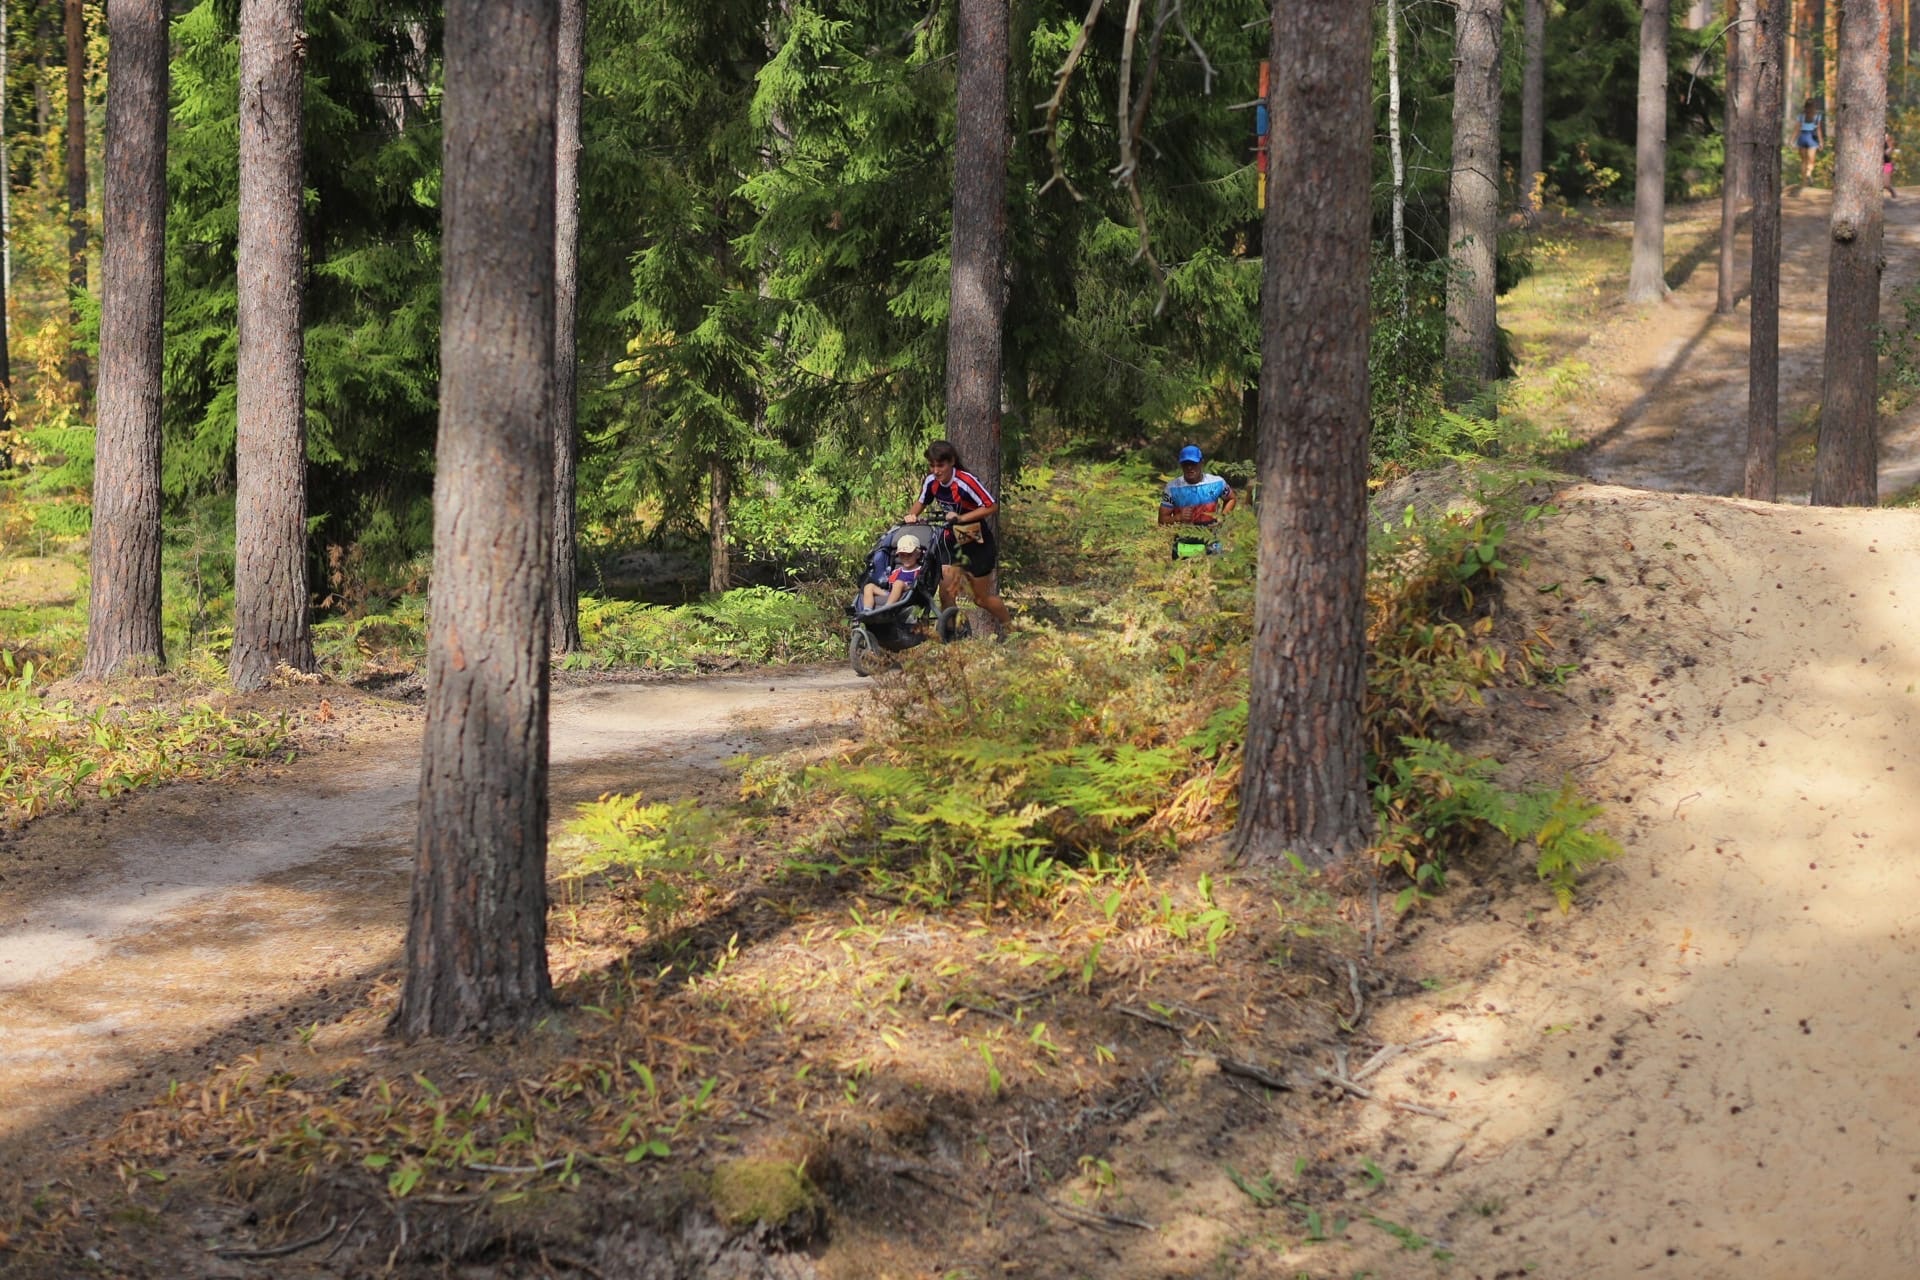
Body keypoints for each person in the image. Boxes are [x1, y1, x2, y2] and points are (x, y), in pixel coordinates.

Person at [902, 440, 1013, 633]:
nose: (936, 471)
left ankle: (1011, 628)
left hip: (975, 542)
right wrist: (912, 516)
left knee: (981, 599)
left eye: (940, 465)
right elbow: (921, 502)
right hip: (951, 541)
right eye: (932, 465)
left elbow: (991, 505)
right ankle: (951, 637)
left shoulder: (965, 481)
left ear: (952, 462)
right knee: (946, 593)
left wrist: (961, 518)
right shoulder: (931, 481)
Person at [1158, 444, 1236, 527]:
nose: (1189, 467)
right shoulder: (1172, 488)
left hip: (1212, 534)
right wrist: (1178, 517)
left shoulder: (1217, 482)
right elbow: (1162, 520)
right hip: (1183, 534)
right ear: (1181, 465)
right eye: (1185, 464)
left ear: (1201, 462)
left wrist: (1222, 517)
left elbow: (1231, 499)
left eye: (1193, 463)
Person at [860, 533, 924, 613]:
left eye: (909, 555)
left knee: (898, 583)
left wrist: (907, 586)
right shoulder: (897, 571)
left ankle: (887, 608)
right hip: (891, 593)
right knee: (869, 586)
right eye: (902, 555)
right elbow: (889, 584)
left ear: (918, 555)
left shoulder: (920, 570)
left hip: (907, 592)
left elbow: (919, 586)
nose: (906, 558)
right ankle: (867, 610)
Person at [1796, 98, 1825, 187]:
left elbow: (1797, 129)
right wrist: (1821, 142)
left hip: (1802, 137)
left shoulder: (1801, 116)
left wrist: (1792, 140)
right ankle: (1808, 174)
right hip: (1812, 138)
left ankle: (1804, 181)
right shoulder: (1817, 116)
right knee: (1811, 160)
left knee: (1803, 161)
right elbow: (1818, 130)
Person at [1885, 131, 1899, 200]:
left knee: (1886, 184)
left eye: (1886, 136)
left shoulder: (1890, 144)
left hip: (1887, 164)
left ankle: (1892, 191)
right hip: (1877, 165)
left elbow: (1887, 153)